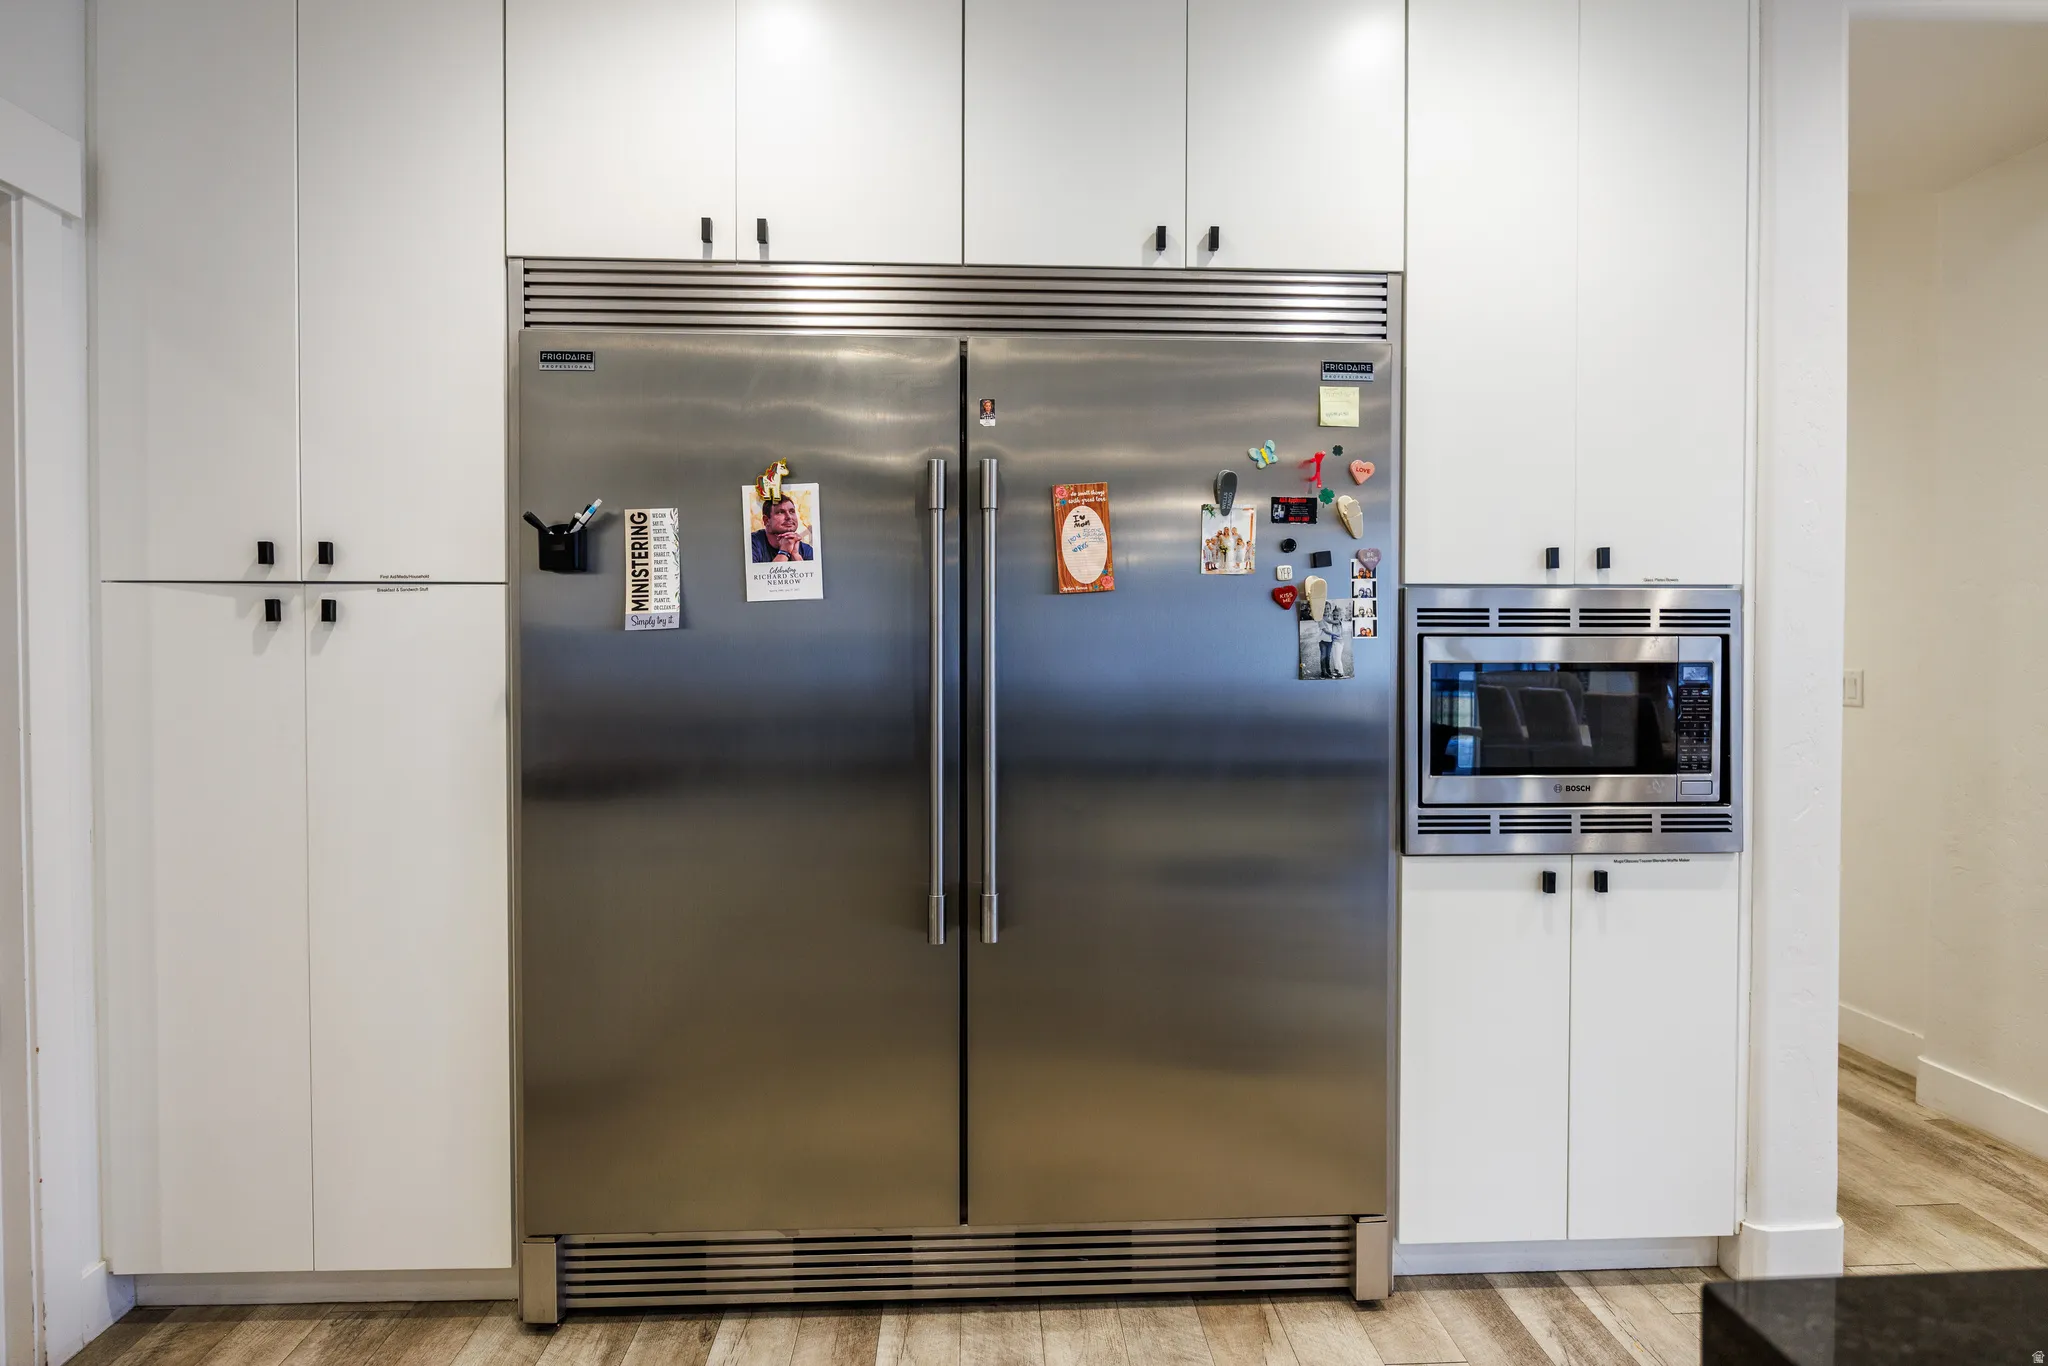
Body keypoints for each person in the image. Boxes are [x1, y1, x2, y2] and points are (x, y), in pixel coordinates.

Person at [750, 494, 813, 563]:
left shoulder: (806, 550)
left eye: (792, 511)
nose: (789, 517)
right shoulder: (751, 544)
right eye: (780, 512)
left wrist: (795, 555)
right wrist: (784, 552)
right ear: (766, 520)